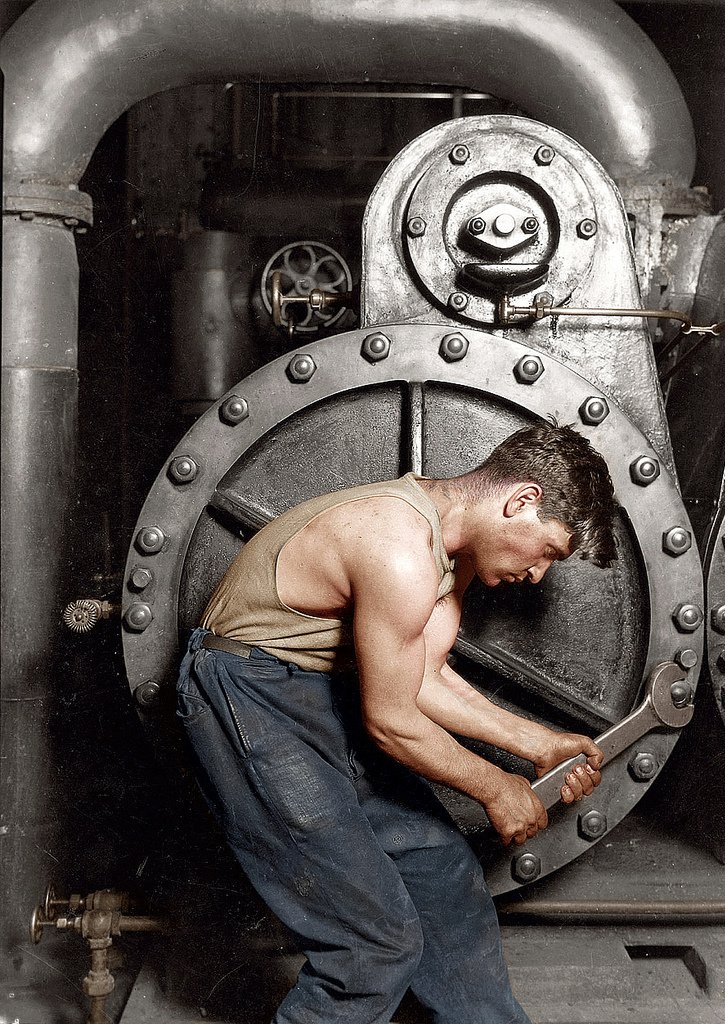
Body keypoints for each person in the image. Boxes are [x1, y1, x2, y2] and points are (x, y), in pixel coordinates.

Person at [177, 420, 617, 1024]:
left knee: (443, 879)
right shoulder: (398, 544)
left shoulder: (448, 552)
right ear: (522, 501)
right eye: (547, 552)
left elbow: (424, 678)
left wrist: (538, 742)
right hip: (248, 695)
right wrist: (496, 786)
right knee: (372, 943)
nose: (538, 575)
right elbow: (389, 719)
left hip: (316, 693)